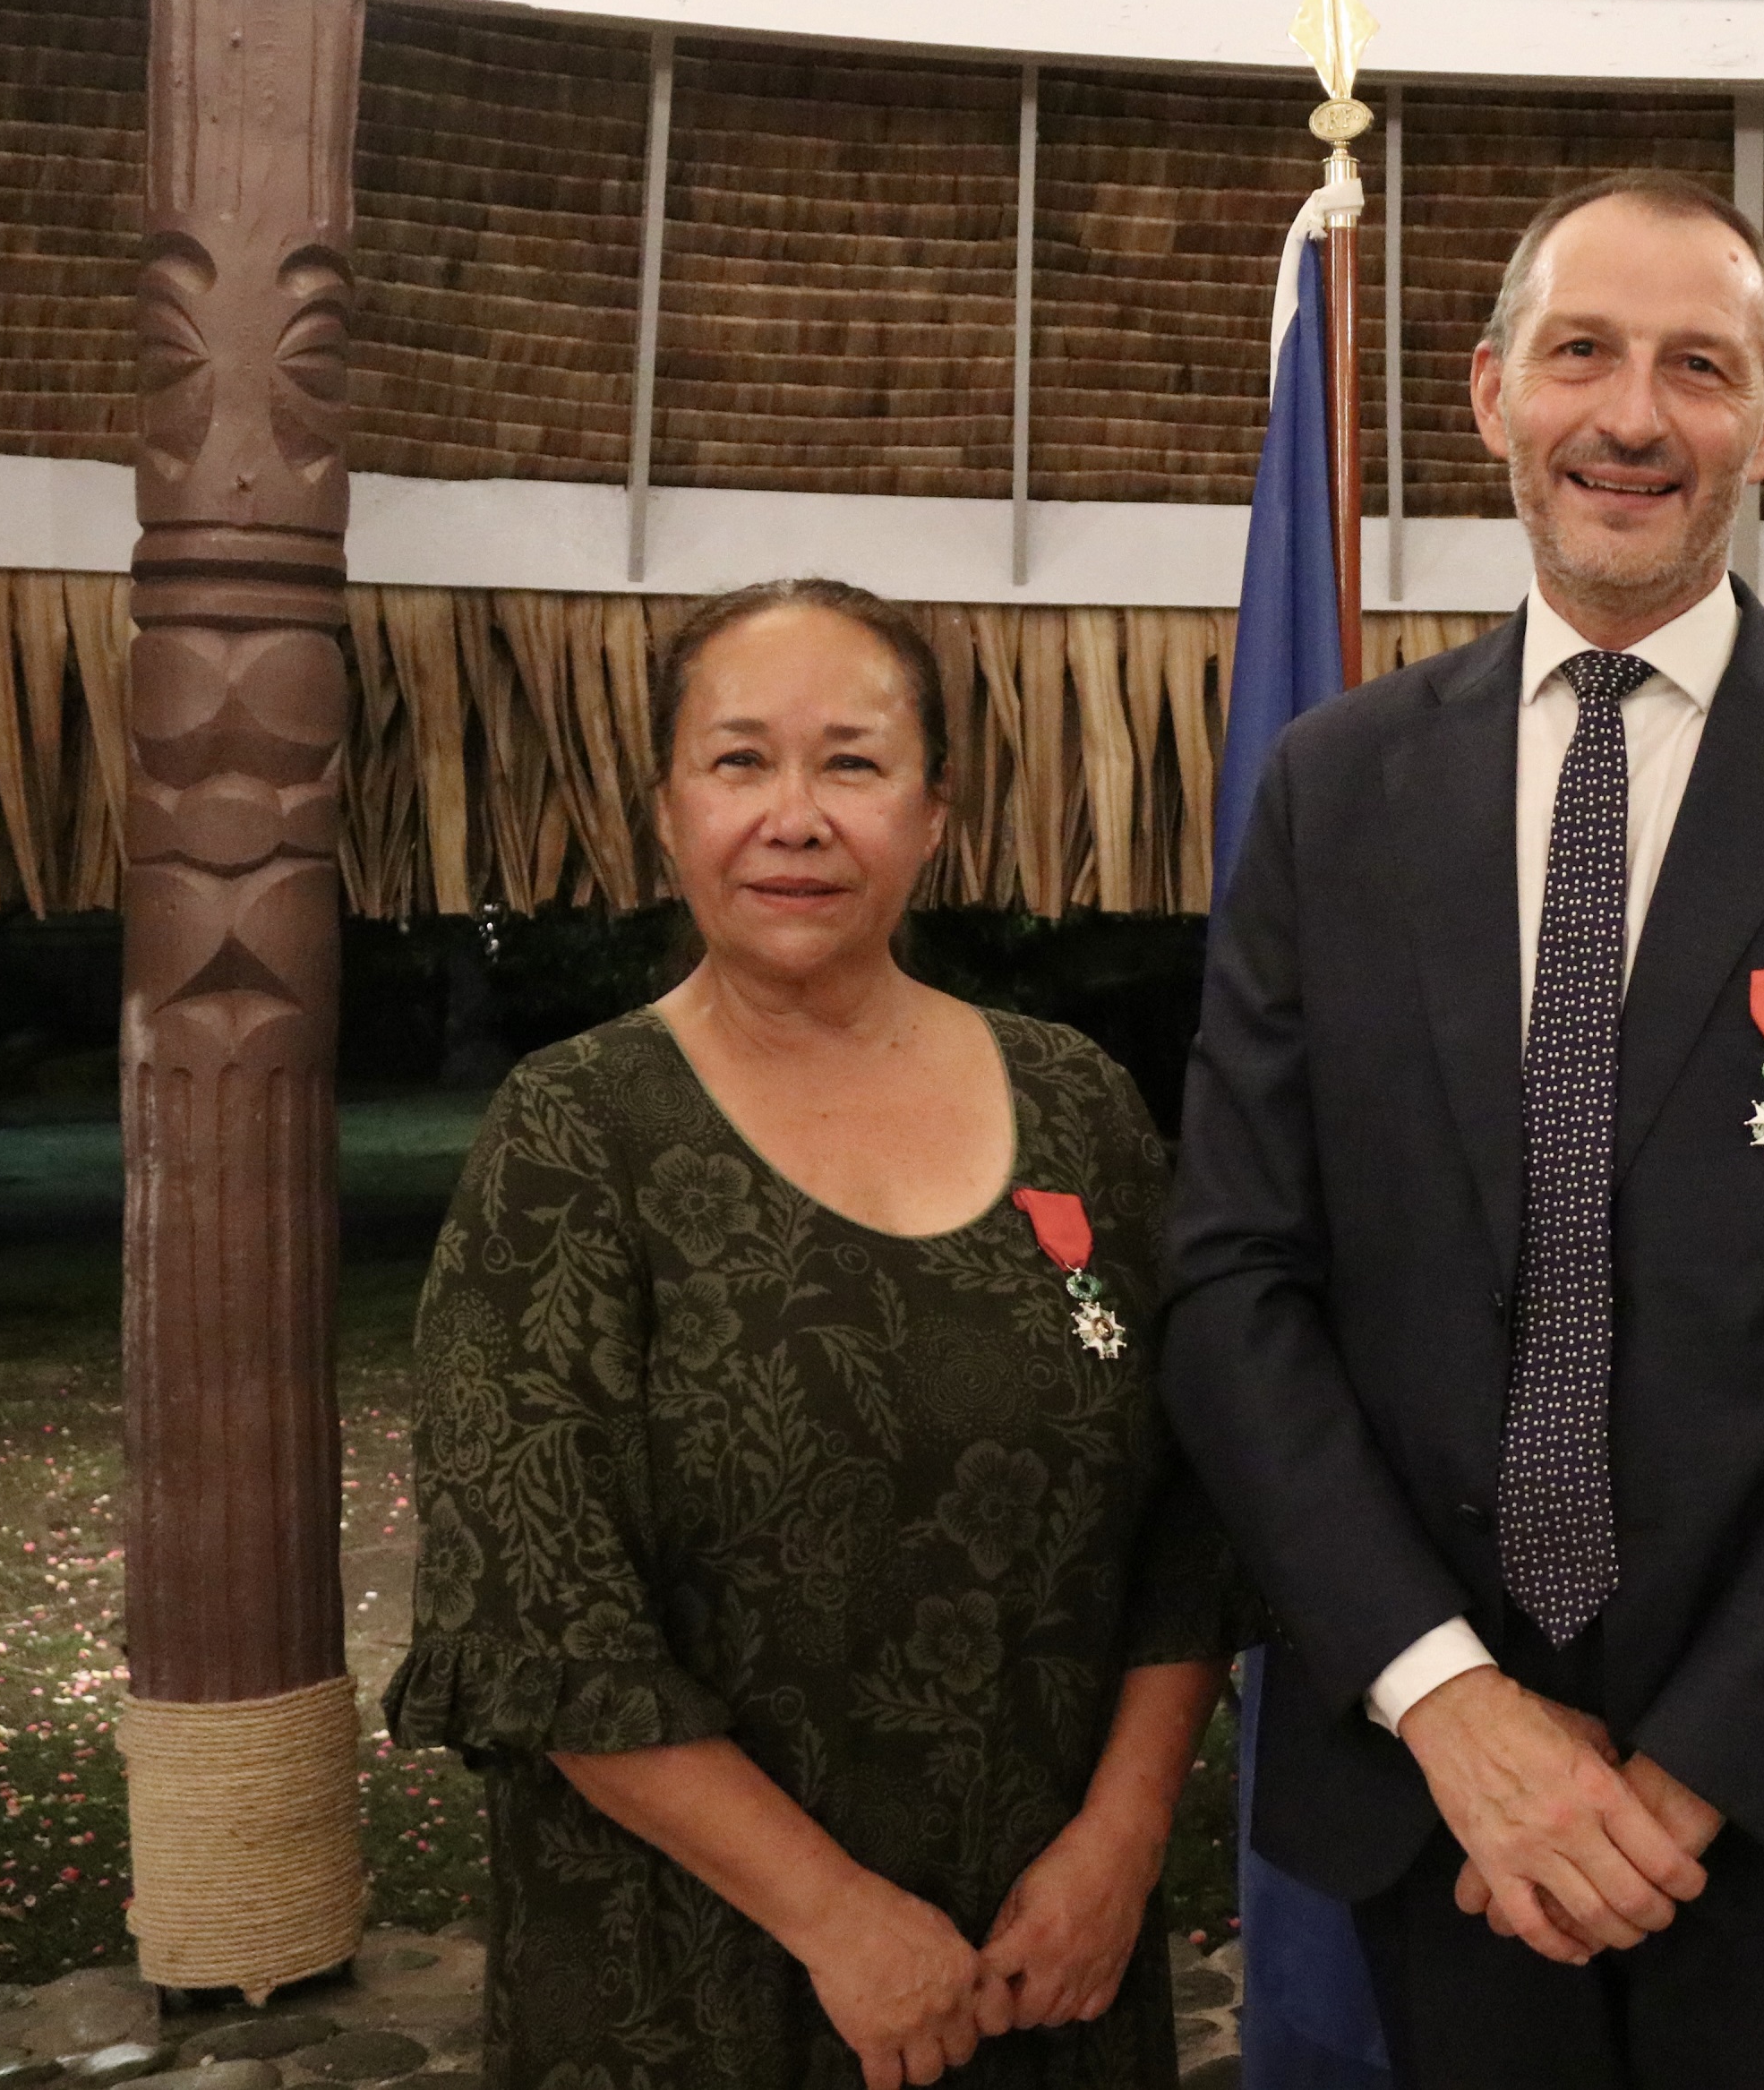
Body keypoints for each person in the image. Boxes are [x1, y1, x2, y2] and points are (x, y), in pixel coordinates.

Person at [1162, 170, 1764, 2090]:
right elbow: (1233, 1285)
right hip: (1432, 1804)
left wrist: (1686, 1773)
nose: (1633, 417)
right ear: (1488, 392)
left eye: (1694, 368)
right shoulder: (1333, 793)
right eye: (1581, 353)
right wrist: (1453, 1705)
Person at [389, 578, 1233, 2090]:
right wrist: (837, 1918)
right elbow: (542, 1616)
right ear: (664, 810)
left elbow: (1192, 1506)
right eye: (739, 761)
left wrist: (1126, 1837)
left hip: (1051, 1963)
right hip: (689, 1982)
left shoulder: (1082, 1107)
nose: (796, 816)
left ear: (934, 812)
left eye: (851, 762)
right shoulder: (577, 1135)